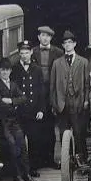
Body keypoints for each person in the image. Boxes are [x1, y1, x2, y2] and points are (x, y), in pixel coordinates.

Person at [0, 57, 37, 181]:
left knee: (22, 145)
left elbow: (24, 98)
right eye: (2, 70)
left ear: (10, 71)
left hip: (14, 121)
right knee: (12, 146)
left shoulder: (13, 84)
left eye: (7, 70)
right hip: (2, 122)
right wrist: (14, 105)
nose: (5, 72)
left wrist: (11, 101)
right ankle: (16, 176)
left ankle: (26, 174)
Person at [12, 40, 53, 175]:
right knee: (19, 141)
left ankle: (33, 167)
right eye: (22, 53)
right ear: (19, 54)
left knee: (34, 140)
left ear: (31, 52)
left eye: (26, 53)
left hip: (33, 110)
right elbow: (12, 89)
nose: (24, 55)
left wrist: (41, 109)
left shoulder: (37, 69)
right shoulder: (14, 69)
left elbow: (41, 91)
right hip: (20, 111)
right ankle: (20, 169)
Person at [50, 31, 91, 165]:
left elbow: (87, 84)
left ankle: (82, 159)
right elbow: (52, 85)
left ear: (74, 44)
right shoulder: (57, 63)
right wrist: (54, 103)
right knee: (63, 133)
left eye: (70, 42)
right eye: (65, 43)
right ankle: (67, 160)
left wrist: (86, 100)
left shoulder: (83, 62)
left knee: (79, 133)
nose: (67, 45)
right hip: (62, 103)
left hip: (78, 102)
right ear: (62, 45)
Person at [32, 25, 64, 169]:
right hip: (37, 94)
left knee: (50, 128)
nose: (45, 38)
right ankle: (37, 161)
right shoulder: (32, 52)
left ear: (51, 38)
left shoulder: (58, 52)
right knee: (36, 128)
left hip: (51, 93)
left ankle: (50, 159)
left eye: (48, 36)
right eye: (42, 35)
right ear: (39, 37)